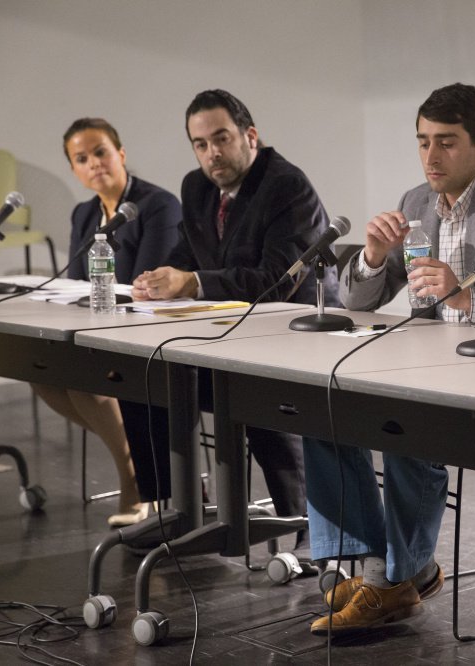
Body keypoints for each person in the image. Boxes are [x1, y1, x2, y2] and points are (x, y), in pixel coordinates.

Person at [307, 83, 475, 636]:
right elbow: (361, 301)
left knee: (404, 428)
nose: (430, 156)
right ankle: (380, 567)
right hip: (427, 364)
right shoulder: (415, 202)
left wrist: (469, 297)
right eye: (423, 142)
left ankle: (395, 579)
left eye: (446, 142)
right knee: (321, 403)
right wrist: (374, 256)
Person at [129, 89, 340, 550]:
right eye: (200, 144)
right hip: (229, 334)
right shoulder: (197, 186)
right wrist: (157, 279)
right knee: (146, 379)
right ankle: (176, 507)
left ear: (250, 135)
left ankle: (303, 529)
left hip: (295, 334)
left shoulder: (286, 185)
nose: (212, 153)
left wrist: (191, 283)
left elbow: (275, 281)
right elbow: (189, 256)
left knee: (249, 395)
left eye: (221, 139)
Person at [32, 117, 181, 527]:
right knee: (42, 374)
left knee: (87, 381)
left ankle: (134, 482)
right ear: (75, 171)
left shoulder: (158, 204)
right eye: (82, 158)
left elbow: (151, 279)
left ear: (121, 154)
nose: (94, 163)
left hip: (152, 332)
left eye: (100, 152)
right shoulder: (84, 214)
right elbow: (77, 281)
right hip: (101, 327)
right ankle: (139, 458)